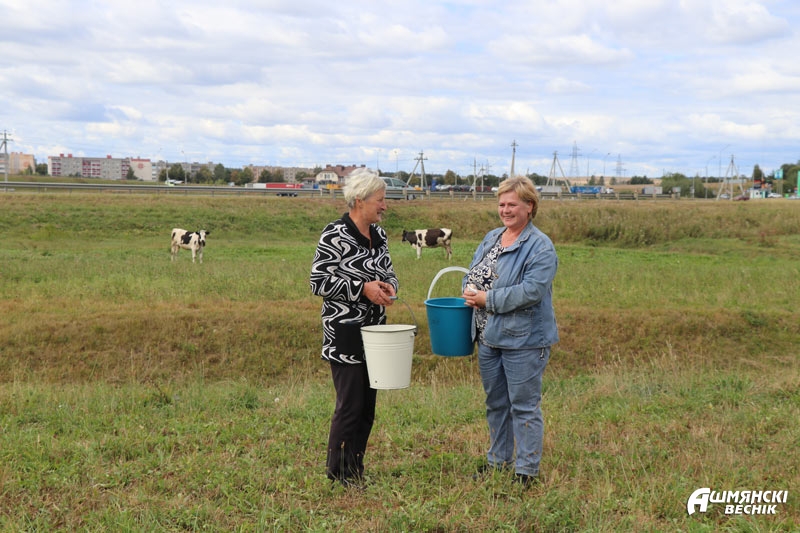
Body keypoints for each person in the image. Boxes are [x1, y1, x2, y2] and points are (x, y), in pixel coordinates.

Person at [462, 176, 559, 487]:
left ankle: (526, 471)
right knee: (496, 403)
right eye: (502, 204)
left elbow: (531, 291)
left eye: (512, 204)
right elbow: (473, 271)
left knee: (524, 406)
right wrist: (468, 289)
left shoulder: (540, 247)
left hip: (524, 340)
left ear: (529, 206)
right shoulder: (493, 237)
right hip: (488, 337)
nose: (505, 210)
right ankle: (497, 462)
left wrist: (487, 299)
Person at [310, 167, 398, 488]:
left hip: (375, 333)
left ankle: (355, 469)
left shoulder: (379, 236)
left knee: (367, 407)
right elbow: (318, 281)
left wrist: (389, 287)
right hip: (344, 332)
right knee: (350, 405)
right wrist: (363, 289)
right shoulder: (335, 234)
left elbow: (388, 271)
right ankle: (338, 473)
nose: (384, 206)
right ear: (360, 200)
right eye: (380, 200)